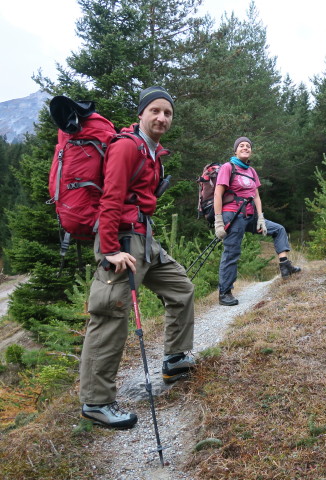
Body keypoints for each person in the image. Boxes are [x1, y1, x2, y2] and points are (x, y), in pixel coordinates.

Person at [79, 86, 196, 429]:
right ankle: (96, 403)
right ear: (142, 113)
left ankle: (174, 359)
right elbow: (111, 198)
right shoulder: (127, 146)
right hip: (121, 242)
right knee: (110, 315)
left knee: (181, 288)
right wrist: (110, 249)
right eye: (155, 111)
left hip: (144, 240)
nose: (162, 117)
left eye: (168, 113)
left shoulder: (152, 151)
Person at [213, 136, 301, 306]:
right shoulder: (227, 167)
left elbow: (257, 196)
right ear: (235, 150)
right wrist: (218, 221)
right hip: (232, 215)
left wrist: (260, 217)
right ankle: (224, 293)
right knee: (232, 253)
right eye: (241, 146)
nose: (245, 148)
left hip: (250, 216)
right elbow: (218, 193)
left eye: (248, 146)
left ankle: (285, 266)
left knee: (278, 229)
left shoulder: (251, 171)